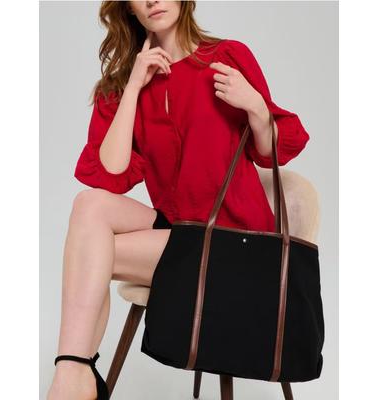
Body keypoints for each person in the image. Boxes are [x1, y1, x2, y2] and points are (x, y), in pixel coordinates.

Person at [47, 1, 310, 399]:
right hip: (179, 233)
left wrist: (256, 107)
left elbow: (272, 154)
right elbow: (111, 176)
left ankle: (71, 382)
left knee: (90, 255)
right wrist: (133, 87)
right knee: (89, 205)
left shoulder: (227, 56)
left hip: (237, 243)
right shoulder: (126, 85)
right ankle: (74, 372)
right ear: (128, 9)